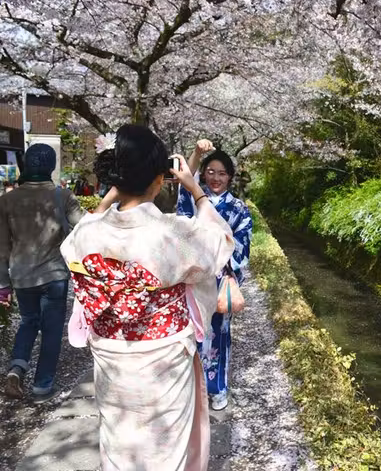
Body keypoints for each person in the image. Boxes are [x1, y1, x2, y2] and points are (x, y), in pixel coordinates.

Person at [60, 125, 234, 470]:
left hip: (111, 355)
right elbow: (220, 240)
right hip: (163, 356)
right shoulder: (172, 234)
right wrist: (196, 190)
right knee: (166, 448)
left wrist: (111, 195)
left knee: (117, 440)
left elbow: (77, 234)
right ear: (160, 179)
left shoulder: (86, 235)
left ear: (115, 177)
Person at [0, 144, 84, 401]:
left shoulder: (6, 200)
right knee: (50, 331)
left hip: (22, 276)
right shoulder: (62, 196)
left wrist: (3, 284)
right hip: (54, 275)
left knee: (28, 322)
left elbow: (2, 246)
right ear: (51, 165)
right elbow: (84, 227)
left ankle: (16, 368)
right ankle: (42, 387)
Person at [177, 139, 252, 411]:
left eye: (222, 173)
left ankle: (217, 388)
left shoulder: (239, 209)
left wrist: (220, 261)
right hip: (192, 278)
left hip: (220, 279)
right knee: (191, 331)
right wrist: (196, 153)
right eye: (211, 172)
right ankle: (190, 387)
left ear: (230, 177)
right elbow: (185, 183)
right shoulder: (194, 199)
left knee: (218, 334)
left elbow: (242, 248)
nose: (216, 178)